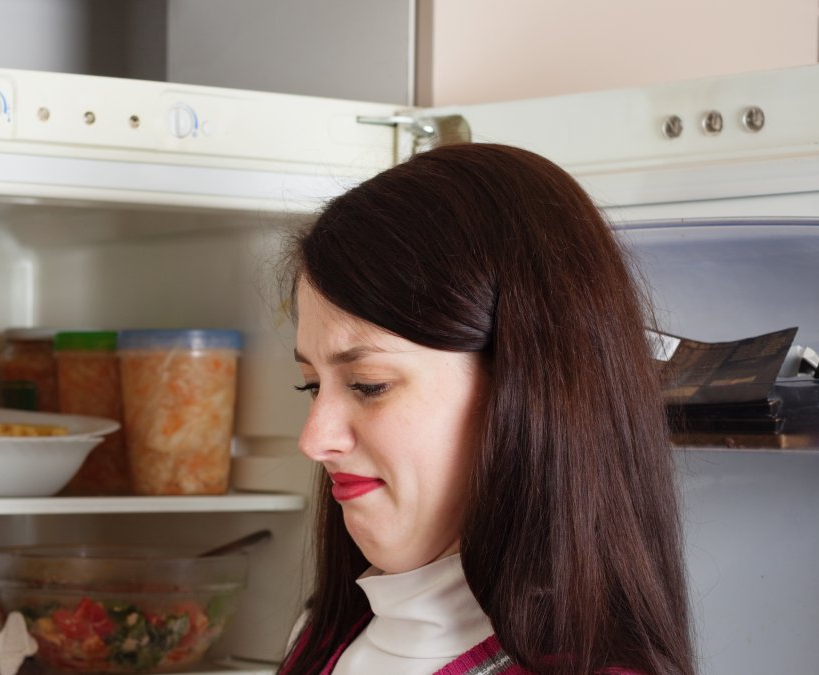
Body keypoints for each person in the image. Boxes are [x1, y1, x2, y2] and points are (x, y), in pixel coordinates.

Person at [278, 143, 694, 675]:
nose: (314, 441)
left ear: (521, 390)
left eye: (368, 384)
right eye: (311, 387)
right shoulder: (321, 638)